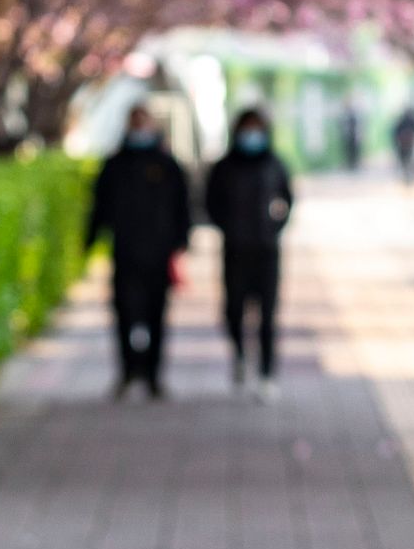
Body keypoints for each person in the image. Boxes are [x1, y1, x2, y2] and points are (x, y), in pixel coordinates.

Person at [86, 102, 193, 399]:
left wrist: (181, 241)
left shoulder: (167, 165)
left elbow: (182, 206)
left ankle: (153, 374)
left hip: (158, 254)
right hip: (125, 252)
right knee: (125, 313)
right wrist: (90, 240)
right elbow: (100, 206)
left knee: (156, 314)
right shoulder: (115, 164)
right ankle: (129, 369)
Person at [205, 106, 294, 398]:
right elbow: (210, 202)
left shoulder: (274, 163)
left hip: (266, 250)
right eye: (248, 128)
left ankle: (267, 373)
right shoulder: (225, 166)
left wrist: (274, 227)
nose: (252, 135)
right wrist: (228, 227)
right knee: (234, 310)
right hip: (235, 249)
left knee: (267, 314)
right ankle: (240, 355)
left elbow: (287, 199)